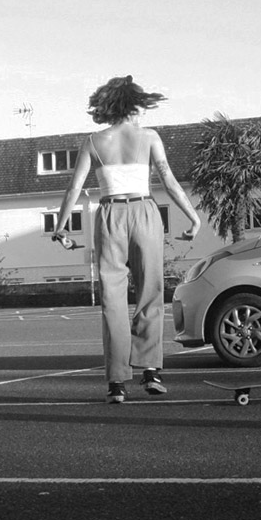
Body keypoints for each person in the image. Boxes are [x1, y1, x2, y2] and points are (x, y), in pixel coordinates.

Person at [52, 76, 201, 403]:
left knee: (113, 302)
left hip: (109, 216)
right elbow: (169, 180)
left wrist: (61, 225)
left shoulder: (94, 140)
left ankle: (117, 384)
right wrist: (193, 216)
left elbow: (74, 188)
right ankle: (151, 373)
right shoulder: (149, 137)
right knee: (150, 292)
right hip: (144, 212)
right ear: (133, 104)